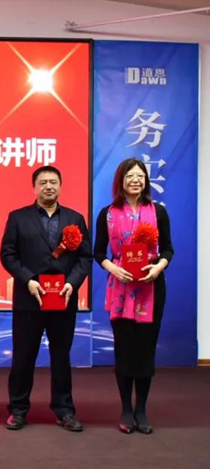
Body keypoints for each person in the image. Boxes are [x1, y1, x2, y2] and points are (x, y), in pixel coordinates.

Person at [0, 165, 91, 432]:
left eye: (53, 182)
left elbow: (85, 257)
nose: (48, 186)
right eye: (43, 182)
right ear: (34, 187)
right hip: (29, 299)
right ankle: (18, 410)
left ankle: (64, 410)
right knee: (23, 356)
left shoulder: (75, 218)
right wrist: (28, 280)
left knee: (61, 357)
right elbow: (8, 255)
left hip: (63, 299)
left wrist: (72, 283)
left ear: (60, 186)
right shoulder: (18, 217)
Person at [93, 158, 173, 435]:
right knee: (125, 349)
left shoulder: (158, 212)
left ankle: (142, 409)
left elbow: (168, 250)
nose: (136, 180)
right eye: (130, 176)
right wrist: (113, 268)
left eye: (140, 176)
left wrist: (158, 267)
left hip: (151, 287)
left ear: (145, 181)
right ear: (121, 181)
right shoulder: (107, 214)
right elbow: (98, 252)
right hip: (121, 287)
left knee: (146, 349)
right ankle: (127, 408)